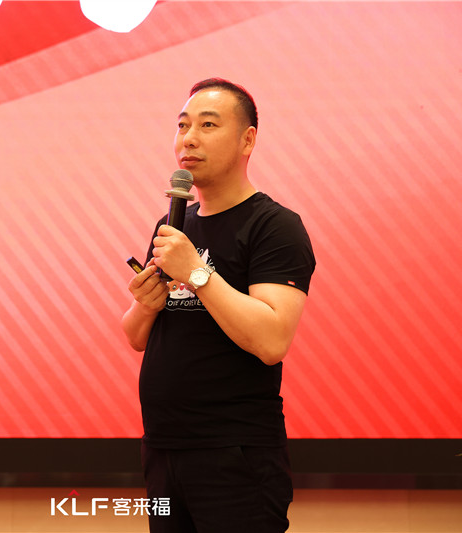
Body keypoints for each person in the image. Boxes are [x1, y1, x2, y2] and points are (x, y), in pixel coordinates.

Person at [121, 78, 316, 533]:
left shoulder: (274, 226)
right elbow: (136, 337)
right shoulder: (173, 224)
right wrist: (145, 305)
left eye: (208, 125)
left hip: (235, 455)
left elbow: (271, 341)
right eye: (182, 125)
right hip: (163, 449)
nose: (188, 138)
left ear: (248, 139)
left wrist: (197, 273)